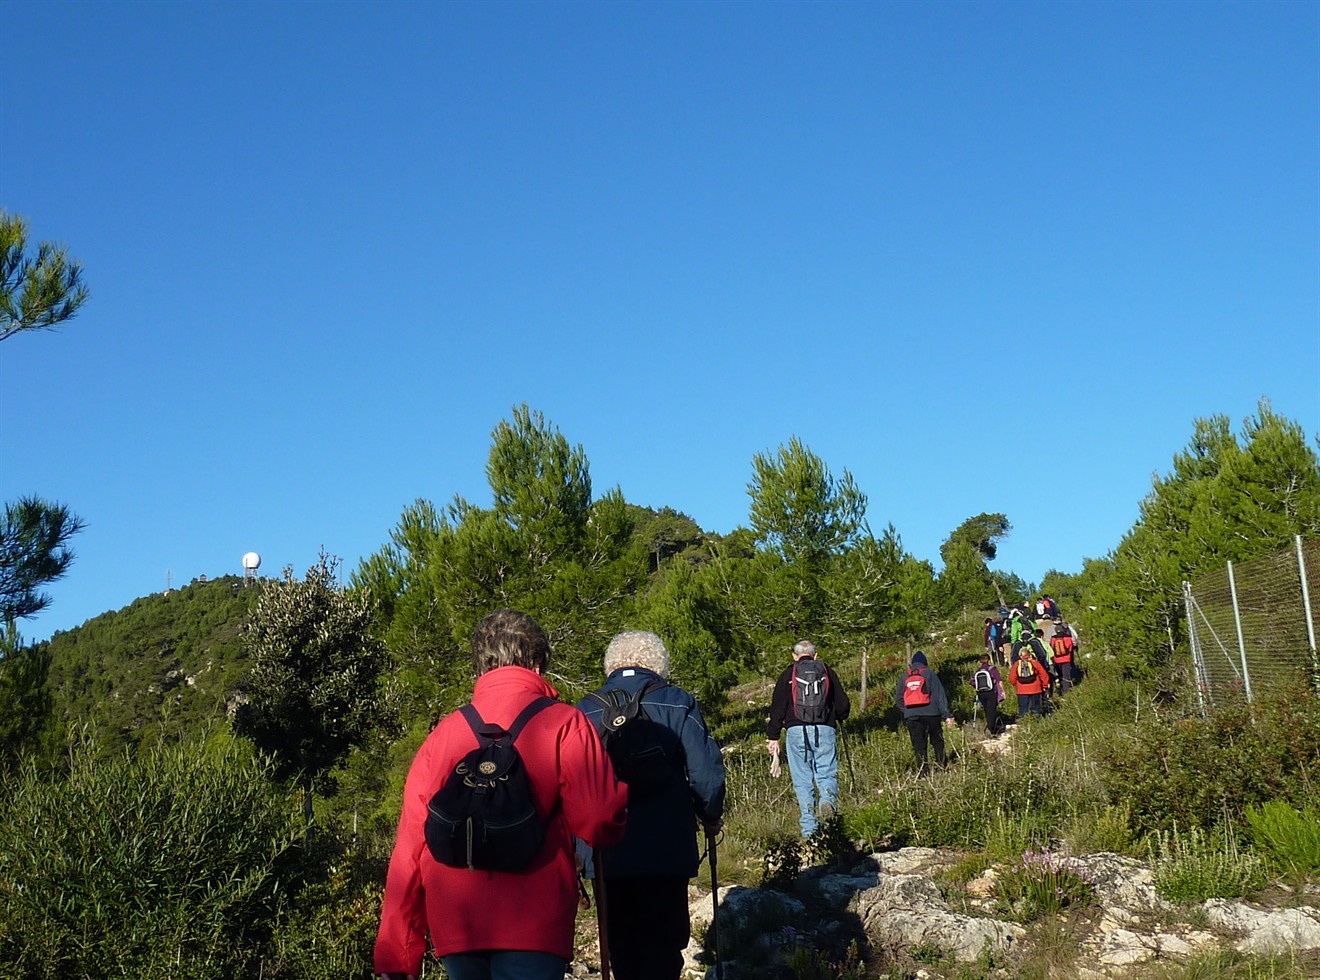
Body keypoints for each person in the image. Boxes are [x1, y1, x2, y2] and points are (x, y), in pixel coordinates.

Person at [375, 609, 627, 980]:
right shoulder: (565, 723)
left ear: (480, 666)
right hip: (535, 921)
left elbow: (410, 850)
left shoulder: (442, 735)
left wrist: (397, 956)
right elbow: (599, 819)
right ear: (538, 664)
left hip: (457, 925)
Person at [577, 631, 726, 980]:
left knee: (621, 946)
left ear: (611, 665)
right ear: (658, 664)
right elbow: (705, 774)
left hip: (606, 850)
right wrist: (710, 815)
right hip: (666, 844)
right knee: (663, 945)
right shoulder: (677, 701)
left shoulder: (584, 710)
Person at [766, 639, 851, 836]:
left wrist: (773, 736)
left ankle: (810, 830)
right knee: (826, 773)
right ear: (815, 655)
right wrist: (838, 715)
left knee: (802, 780)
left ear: (794, 656)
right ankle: (828, 803)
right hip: (825, 728)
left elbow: (777, 708)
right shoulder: (827, 671)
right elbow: (843, 705)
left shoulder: (788, 674)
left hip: (796, 731)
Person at [896, 650, 955, 773]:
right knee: (937, 742)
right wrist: (946, 715)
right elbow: (939, 695)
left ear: (912, 664)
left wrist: (907, 712)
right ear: (925, 663)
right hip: (932, 714)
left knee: (919, 746)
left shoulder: (904, 676)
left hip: (912, 717)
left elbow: (899, 699)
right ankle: (941, 768)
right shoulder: (929, 673)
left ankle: (923, 772)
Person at [1009, 638, 1048, 718]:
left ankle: (1024, 721)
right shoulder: (1034, 662)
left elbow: (1012, 677)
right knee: (1036, 707)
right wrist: (1045, 685)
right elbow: (1043, 674)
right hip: (1036, 689)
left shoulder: (1017, 664)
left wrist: (1016, 684)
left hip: (1022, 690)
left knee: (1023, 708)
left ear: (1020, 655)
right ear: (1029, 654)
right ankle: (1036, 721)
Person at [971, 652, 1006, 735]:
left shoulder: (978, 671)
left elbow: (972, 682)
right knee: (992, 710)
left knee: (986, 710)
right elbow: (999, 681)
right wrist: (1003, 691)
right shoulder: (992, 669)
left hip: (981, 693)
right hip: (991, 692)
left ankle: (990, 726)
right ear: (989, 660)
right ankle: (990, 728)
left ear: (980, 661)